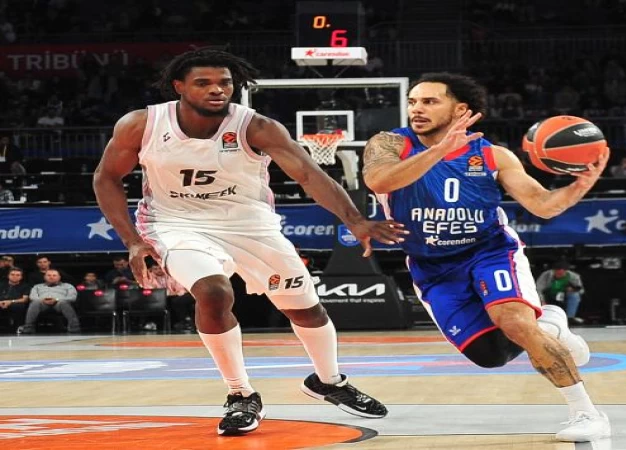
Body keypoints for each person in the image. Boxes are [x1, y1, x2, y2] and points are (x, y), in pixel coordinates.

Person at [93, 48, 405, 436]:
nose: (217, 90)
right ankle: (240, 394)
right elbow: (106, 177)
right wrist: (133, 241)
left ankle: (329, 381)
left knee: (306, 310)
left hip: (252, 225)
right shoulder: (142, 124)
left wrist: (355, 220)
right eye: (203, 83)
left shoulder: (256, 126)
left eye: (225, 82)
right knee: (213, 292)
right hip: (175, 223)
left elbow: (309, 175)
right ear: (179, 87)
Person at [362, 72, 611, 442]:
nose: (417, 109)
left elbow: (542, 205)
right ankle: (550, 323)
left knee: (513, 322)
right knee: (490, 355)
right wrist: (439, 151)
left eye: (429, 101)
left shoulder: (493, 155)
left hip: (489, 251)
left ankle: (586, 413)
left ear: (460, 109)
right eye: (413, 101)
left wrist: (579, 187)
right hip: (432, 265)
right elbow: (380, 181)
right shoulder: (389, 142)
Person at [20, 269, 80, 334]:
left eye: (54, 275)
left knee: (64, 303)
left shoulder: (68, 286)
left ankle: (74, 328)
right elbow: (32, 297)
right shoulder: (37, 286)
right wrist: (42, 300)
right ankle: (28, 328)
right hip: (42, 303)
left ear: (59, 277)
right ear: (44, 277)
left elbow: (72, 297)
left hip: (59, 303)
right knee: (35, 303)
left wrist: (57, 299)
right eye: (49, 275)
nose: (51, 277)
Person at [536, 261, 585, 325]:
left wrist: (572, 289)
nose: (559, 275)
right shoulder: (546, 275)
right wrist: (542, 300)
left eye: (561, 274)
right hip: (548, 295)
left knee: (575, 295)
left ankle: (569, 318)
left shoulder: (574, 277)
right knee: (537, 297)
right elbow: (538, 289)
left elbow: (581, 290)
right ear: (553, 271)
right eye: (557, 273)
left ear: (566, 271)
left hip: (564, 296)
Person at [0, 267, 30, 332]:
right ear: (8, 276)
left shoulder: (25, 286)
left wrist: (11, 302)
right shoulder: (1, 284)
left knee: (20, 306)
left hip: (15, 304)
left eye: (17, 275)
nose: (15, 277)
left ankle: (17, 327)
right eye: (12, 274)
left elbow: (24, 299)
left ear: (21, 277)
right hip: (1, 302)